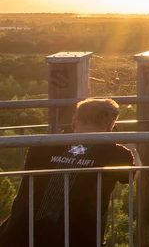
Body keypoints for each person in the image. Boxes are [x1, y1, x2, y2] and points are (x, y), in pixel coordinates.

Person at [0, 97, 137, 247]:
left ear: (74, 121)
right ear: (111, 126)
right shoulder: (115, 154)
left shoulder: (40, 146)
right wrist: (130, 147)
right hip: (77, 240)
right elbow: (132, 176)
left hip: (19, 236)